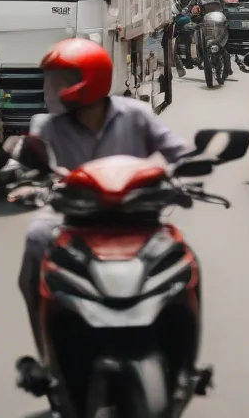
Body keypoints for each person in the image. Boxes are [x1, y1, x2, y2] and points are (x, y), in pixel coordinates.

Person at [16, 39, 191, 364]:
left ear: (87, 80)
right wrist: (22, 181)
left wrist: (183, 176)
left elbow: (179, 153)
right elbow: (24, 164)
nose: (50, 88)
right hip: (71, 218)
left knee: (181, 257)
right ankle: (47, 355)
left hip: (137, 216)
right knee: (36, 238)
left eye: (60, 81)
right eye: (51, 80)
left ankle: (181, 354)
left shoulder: (135, 114)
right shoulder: (47, 126)